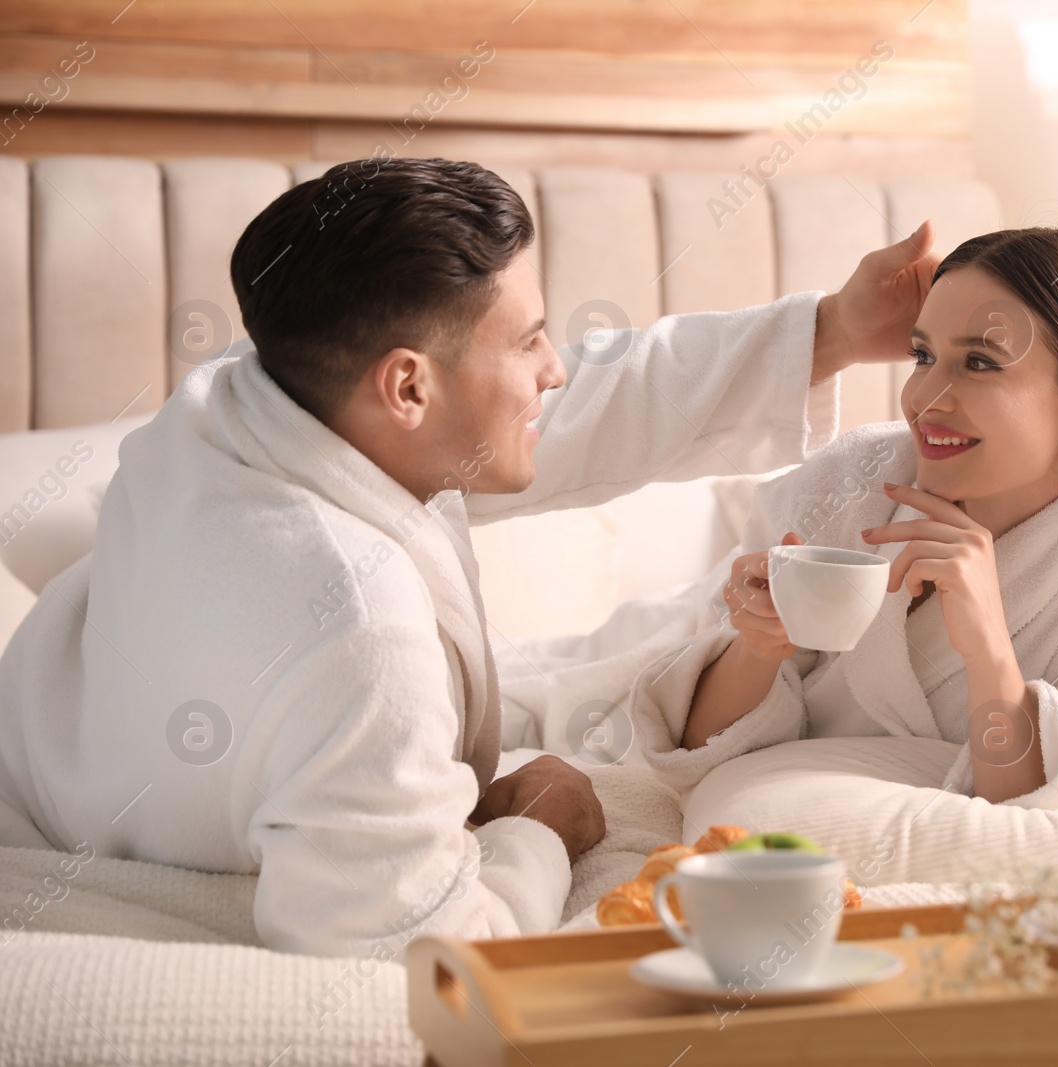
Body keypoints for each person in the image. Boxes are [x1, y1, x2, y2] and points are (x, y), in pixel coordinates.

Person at [0, 157, 937, 955]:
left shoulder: (243, 405)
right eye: (531, 340)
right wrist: (538, 833)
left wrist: (837, 330)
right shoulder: (354, 631)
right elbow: (415, 954)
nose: (557, 368)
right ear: (407, 383)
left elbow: (584, 402)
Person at [632, 227, 1058, 810]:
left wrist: (989, 652)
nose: (925, 399)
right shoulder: (851, 480)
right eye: (923, 356)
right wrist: (757, 649)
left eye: (979, 363)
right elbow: (693, 748)